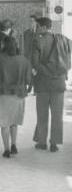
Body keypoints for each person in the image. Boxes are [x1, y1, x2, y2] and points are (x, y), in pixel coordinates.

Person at [0, 36, 33, 158]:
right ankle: (14, 145)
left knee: (4, 123)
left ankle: (6, 149)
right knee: (14, 122)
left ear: (3, 45)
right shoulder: (24, 60)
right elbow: (28, 79)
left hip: (1, 94)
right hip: (18, 94)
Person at [31, 17, 72, 152]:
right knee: (57, 115)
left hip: (43, 83)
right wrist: (57, 71)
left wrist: (46, 71)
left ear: (43, 27)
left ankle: (42, 142)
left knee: (42, 114)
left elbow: (35, 63)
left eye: (38, 27)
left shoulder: (38, 41)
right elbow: (67, 59)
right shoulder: (64, 39)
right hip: (59, 83)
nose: (37, 30)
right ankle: (54, 143)